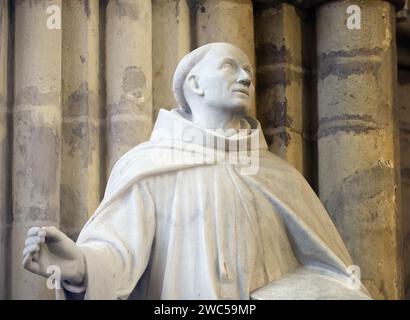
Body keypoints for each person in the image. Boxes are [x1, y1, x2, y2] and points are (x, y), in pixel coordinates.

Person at [22, 42, 369, 299]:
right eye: (230, 66)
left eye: (248, 69)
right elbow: (118, 256)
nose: (246, 76)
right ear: (195, 84)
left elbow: (335, 275)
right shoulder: (149, 165)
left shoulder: (279, 175)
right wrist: (79, 267)